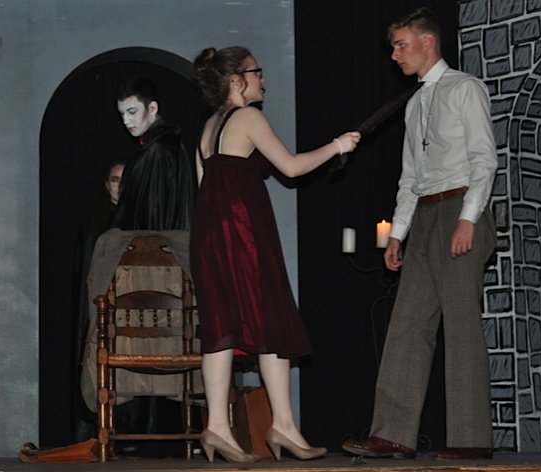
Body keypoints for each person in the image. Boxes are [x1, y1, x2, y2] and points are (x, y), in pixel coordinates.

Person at [190, 46, 360, 463]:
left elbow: (203, 188)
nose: (263, 80)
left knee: (222, 327)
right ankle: (280, 424)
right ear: (237, 80)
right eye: (257, 72)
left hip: (209, 237)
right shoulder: (248, 117)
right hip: (243, 233)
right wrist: (337, 145)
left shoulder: (208, 128)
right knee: (269, 316)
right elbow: (291, 167)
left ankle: (220, 426)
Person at [341, 7, 497, 461]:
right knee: (407, 324)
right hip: (426, 215)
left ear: (428, 41)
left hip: (460, 208)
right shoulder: (413, 104)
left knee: (461, 325)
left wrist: (468, 218)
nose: (395, 55)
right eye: (394, 47)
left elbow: (484, 159)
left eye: (401, 45)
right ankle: (392, 434)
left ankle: (471, 439)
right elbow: (410, 177)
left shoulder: (465, 88)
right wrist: (398, 233)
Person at [71, 158, 125, 441]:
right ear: (106, 185)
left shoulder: (140, 216)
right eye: (115, 180)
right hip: (99, 306)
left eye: (125, 180)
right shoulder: (94, 219)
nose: (120, 186)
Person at [112, 76, 194, 230]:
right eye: (122, 114)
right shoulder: (162, 146)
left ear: (152, 109)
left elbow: (154, 214)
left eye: (132, 112)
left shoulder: (159, 149)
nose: (126, 121)